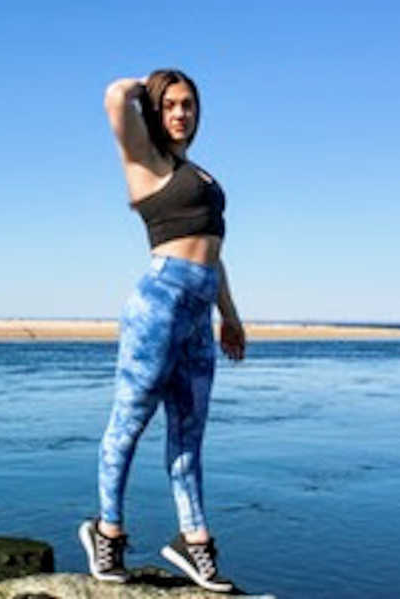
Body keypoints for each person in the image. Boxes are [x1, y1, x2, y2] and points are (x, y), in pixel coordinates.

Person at [78, 69, 245, 593]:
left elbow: (214, 256)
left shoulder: (198, 172)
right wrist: (149, 82)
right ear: (156, 110)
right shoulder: (144, 162)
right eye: (170, 104)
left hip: (198, 311)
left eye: (189, 104)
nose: (180, 113)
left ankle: (192, 543)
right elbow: (113, 96)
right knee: (128, 424)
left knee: (189, 435)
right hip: (158, 305)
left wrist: (230, 314)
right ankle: (107, 531)